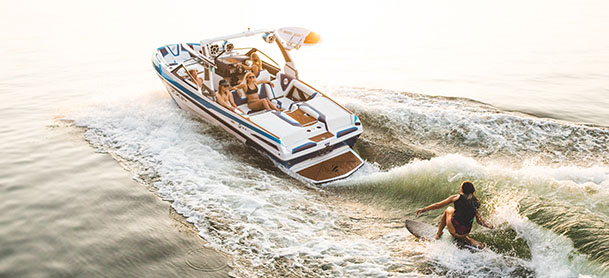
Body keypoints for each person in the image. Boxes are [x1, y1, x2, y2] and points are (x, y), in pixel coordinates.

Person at [415, 181, 493, 248]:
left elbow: (438, 205)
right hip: (465, 232)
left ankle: (439, 233)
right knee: (460, 217)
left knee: (448, 210)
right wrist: (490, 226)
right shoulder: (477, 202)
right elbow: (479, 221)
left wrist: (424, 209)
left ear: (462, 189)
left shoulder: (456, 197)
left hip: (455, 231)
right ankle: (467, 239)